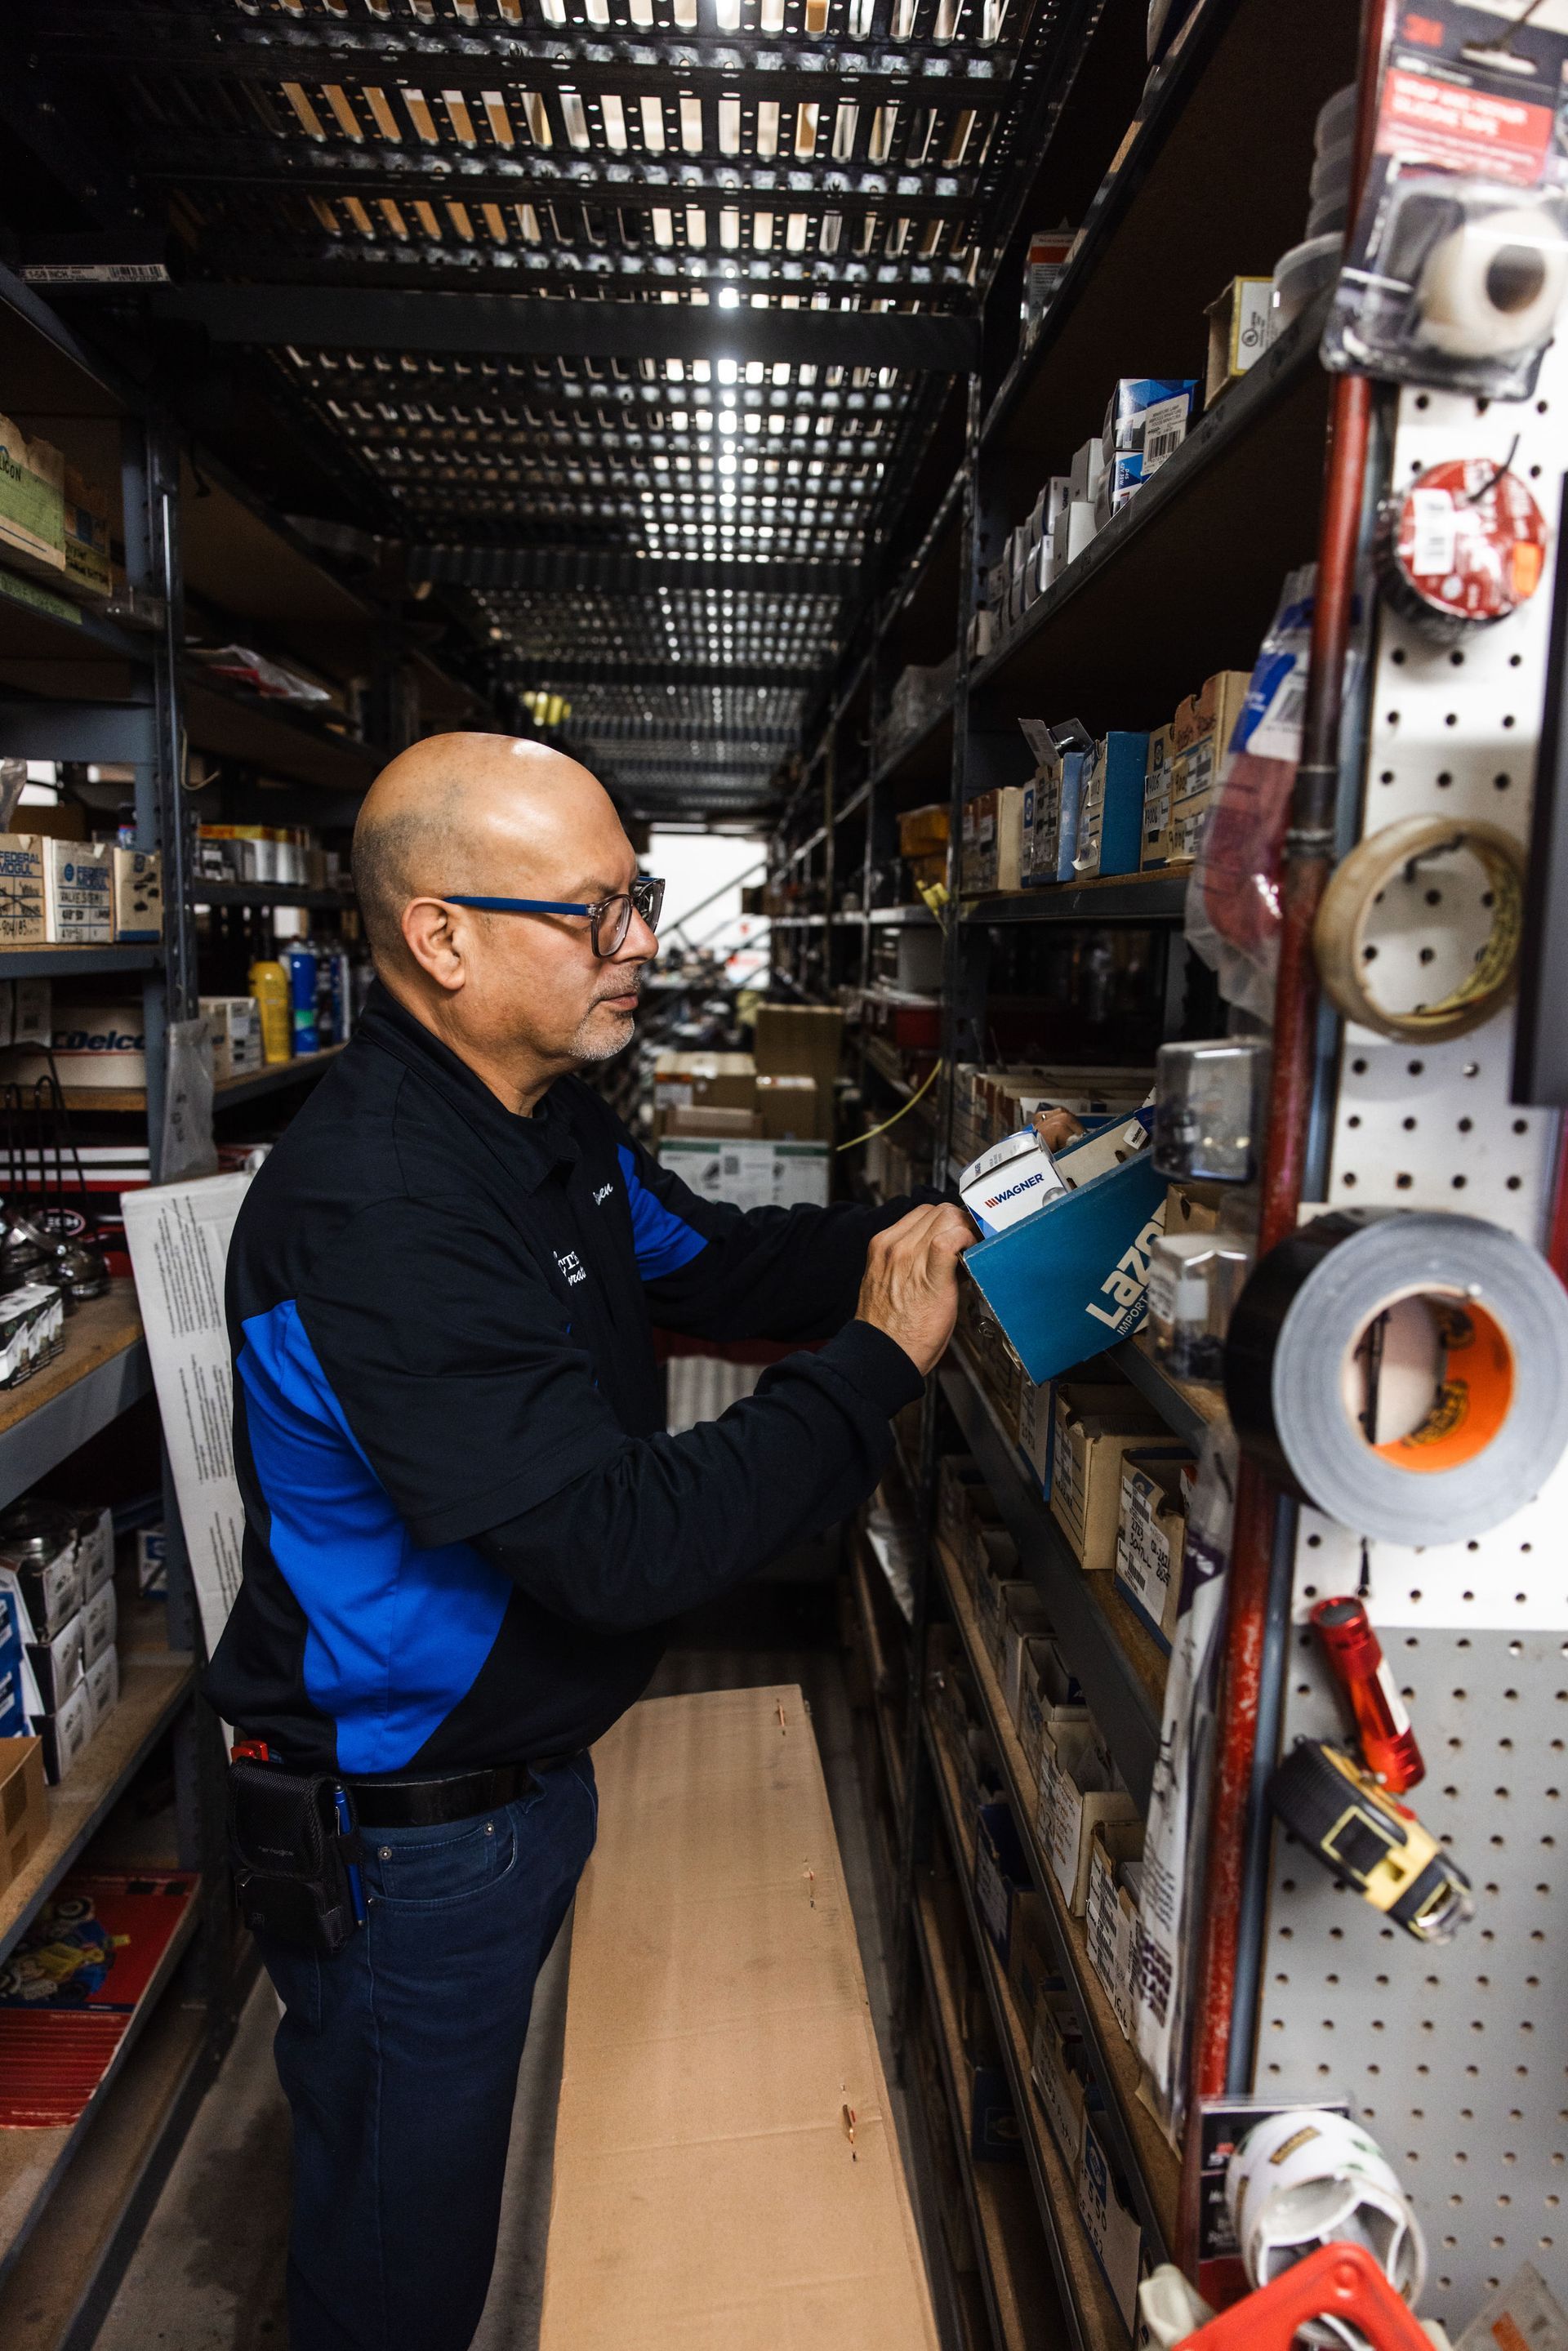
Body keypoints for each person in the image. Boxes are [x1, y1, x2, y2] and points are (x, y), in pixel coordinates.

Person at [206, 731, 975, 2351]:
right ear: (442, 937)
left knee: (428, 2226)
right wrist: (873, 1369)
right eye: (594, 913)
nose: (640, 945)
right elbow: (617, 1547)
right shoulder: (383, 1210)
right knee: (399, 2279)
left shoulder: (543, 1126)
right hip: (405, 1838)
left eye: (638, 900)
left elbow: (718, 1261)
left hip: (508, 1793)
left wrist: (940, 1235)